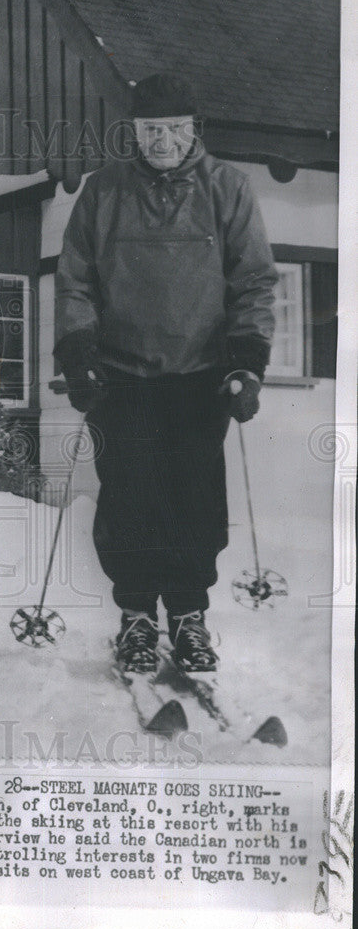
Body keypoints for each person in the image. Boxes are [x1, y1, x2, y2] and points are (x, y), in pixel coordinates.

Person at [54, 73, 276, 673]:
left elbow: (252, 281)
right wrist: (80, 356)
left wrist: (247, 363)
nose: (162, 140)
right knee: (128, 496)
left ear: (193, 130)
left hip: (199, 376)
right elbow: (76, 281)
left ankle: (187, 617)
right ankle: (134, 618)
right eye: (151, 129)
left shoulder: (228, 187)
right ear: (134, 131)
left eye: (174, 129)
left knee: (193, 498)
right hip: (121, 377)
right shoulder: (104, 191)